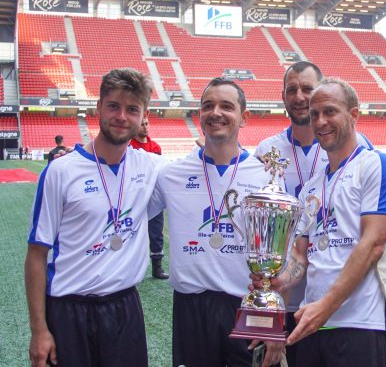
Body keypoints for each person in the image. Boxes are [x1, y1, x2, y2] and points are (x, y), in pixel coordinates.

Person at [25, 68, 163, 367]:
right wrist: (39, 330)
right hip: (68, 311)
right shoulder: (60, 172)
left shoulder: (152, 167)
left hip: (124, 308)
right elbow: (37, 254)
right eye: (113, 106)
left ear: (143, 116)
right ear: (98, 107)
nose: (121, 116)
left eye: (132, 109)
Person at [262, 78, 386, 366]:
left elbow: (373, 244)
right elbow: (301, 256)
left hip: (359, 324)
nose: (320, 121)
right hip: (311, 322)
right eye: (314, 114)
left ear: (353, 115)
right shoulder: (311, 187)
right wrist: (277, 281)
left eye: (330, 111)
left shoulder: (376, 164)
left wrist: (325, 307)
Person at [148, 78, 281, 367]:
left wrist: (273, 321)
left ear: (244, 118)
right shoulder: (172, 174)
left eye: (226, 106)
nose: (215, 113)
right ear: (199, 115)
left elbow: (279, 254)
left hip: (246, 303)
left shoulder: (266, 177)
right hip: (191, 307)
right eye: (208, 106)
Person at [129, 117, 169, 280]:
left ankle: (157, 267)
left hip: (153, 197)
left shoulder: (155, 147)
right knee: (130, 232)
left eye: (147, 124)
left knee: (156, 232)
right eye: (142, 124)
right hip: (135, 198)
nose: (145, 127)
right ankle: (129, 269)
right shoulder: (129, 146)